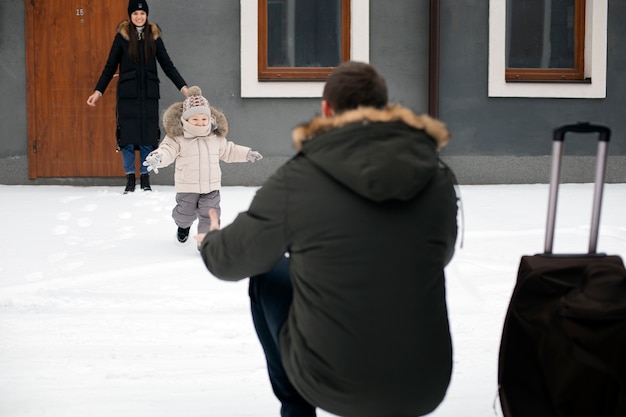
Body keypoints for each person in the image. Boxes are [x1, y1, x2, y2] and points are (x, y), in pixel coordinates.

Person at [196, 61, 458, 417]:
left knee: (268, 274)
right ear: (384, 108)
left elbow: (231, 260)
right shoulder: (436, 176)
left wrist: (211, 239)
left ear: (326, 110)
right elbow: (438, 255)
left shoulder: (300, 177)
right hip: (425, 385)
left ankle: (296, 409)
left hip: (331, 384)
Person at [86, 0, 188, 194]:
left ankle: (146, 177)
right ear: (130, 16)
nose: (139, 17)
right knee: (127, 139)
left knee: (147, 138)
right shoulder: (121, 38)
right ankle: (131, 178)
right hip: (128, 96)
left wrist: (183, 87)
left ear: (146, 15)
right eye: (135, 14)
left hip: (149, 95)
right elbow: (109, 67)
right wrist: (98, 92)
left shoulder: (154, 37)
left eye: (142, 13)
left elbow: (168, 65)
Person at [142, 86, 263, 245]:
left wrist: (246, 154)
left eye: (204, 119)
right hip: (188, 186)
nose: (200, 123)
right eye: (195, 119)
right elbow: (167, 151)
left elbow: (229, 150)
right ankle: (183, 226)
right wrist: (157, 157)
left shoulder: (215, 137)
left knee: (210, 214)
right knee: (184, 214)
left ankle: (206, 241)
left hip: (211, 186)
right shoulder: (178, 137)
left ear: (210, 119)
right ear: (186, 119)